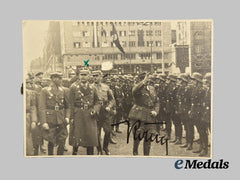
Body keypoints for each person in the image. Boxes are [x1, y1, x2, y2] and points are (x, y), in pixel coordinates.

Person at [69, 69, 100, 155]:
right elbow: (70, 104)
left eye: (85, 74)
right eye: (81, 74)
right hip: (78, 114)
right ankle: (74, 153)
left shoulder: (93, 88)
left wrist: (95, 109)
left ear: (89, 76)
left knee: (90, 138)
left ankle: (90, 155)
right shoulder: (73, 87)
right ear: (78, 76)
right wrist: (71, 117)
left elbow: (97, 101)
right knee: (77, 137)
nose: (83, 76)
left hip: (90, 115)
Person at [38, 72, 70, 155]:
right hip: (50, 119)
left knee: (62, 140)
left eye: (61, 78)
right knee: (51, 141)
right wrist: (44, 122)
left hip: (61, 119)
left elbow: (68, 106)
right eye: (58, 78)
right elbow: (42, 107)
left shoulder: (64, 90)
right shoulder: (45, 90)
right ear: (52, 78)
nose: (60, 80)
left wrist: (67, 117)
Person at [128, 72, 159, 156]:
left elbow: (156, 101)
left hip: (150, 116)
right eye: (146, 79)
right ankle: (135, 152)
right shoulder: (137, 88)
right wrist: (143, 81)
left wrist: (156, 111)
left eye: (148, 79)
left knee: (148, 138)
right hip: (139, 116)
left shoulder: (152, 88)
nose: (148, 81)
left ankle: (146, 156)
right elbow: (134, 90)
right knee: (138, 137)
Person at [93, 70, 116, 155]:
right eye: (94, 76)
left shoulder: (106, 87)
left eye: (97, 76)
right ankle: (99, 149)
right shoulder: (91, 87)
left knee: (108, 130)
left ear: (101, 77)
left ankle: (105, 148)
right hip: (96, 112)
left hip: (105, 110)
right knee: (97, 132)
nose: (95, 78)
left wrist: (109, 106)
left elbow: (112, 99)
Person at [189, 72, 206, 156]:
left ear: (198, 81)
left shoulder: (202, 90)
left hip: (200, 112)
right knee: (199, 130)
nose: (192, 81)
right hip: (195, 111)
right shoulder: (195, 89)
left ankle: (204, 148)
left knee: (203, 131)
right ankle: (201, 147)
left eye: (194, 80)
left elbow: (204, 102)